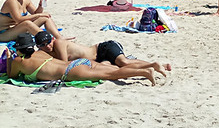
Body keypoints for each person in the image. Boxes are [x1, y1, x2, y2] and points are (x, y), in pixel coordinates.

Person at [6, 33, 156, 85]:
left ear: (18, 49)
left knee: (113, 74)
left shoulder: (18, 62)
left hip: (71, 71)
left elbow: (11, 76)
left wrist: (8, 60)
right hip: (81, 62)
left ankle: (144, 73)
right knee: (116, 69)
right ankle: (146, 68)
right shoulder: (41, 53)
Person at [34, 31, 171, 77]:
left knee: (123, 62)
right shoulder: (49, 50)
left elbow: (65, 64)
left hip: (103, 48)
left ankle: (154, 64)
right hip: (99, 59)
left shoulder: (58, 43)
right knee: (118, 70)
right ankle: (158, 66)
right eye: (43, 45)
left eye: (48, 42)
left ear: (52, 39)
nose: (47, 46)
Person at [1, 0, 66, 43]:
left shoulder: (26, 0)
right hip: (4, 33)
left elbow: (35, 14)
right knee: (27, 23)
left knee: (45, 18)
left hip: (18, 29)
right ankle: (46, 40)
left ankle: (59, 38)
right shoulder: (12, 1)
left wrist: (40, 5)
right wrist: (39, 15)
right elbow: (18, 19)